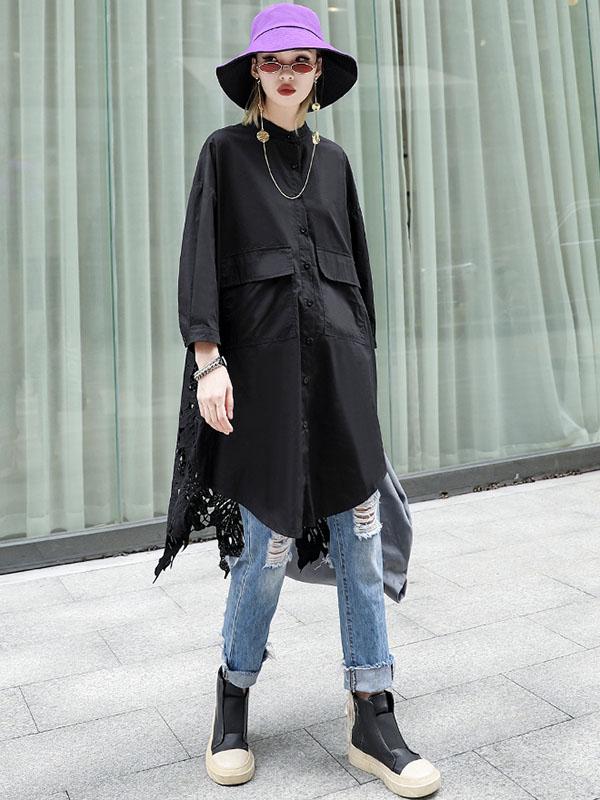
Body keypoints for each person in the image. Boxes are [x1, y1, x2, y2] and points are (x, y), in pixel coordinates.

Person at [153, 3, 441, 797]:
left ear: (318, 75)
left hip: (340, 372)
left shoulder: (334, 161)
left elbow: (359, 280)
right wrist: (208, 362)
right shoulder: (224, 154)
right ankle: (233, 694)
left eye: (302, 62)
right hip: (263, 376)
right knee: (266, 545)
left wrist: (364, 371)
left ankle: (372, 711)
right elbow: (200, 259)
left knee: (360, 532)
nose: (287, 74)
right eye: (273, 62)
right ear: (255, 71)